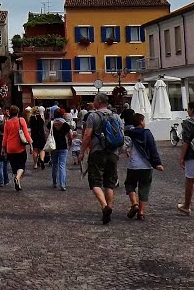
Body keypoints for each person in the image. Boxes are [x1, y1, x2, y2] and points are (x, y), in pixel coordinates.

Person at [78, 93, 124, 224]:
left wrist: (82, 152)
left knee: (95, 182)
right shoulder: (116, 116)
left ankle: (104, 207)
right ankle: (109, 208)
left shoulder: (93, 116)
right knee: (109, 183)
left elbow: (87, 135)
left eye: (94, 100)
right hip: (113, 153)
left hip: (97, 152)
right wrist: (119, 152)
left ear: (98, 101)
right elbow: (122, 135)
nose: (93, 102)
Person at [124, 111, 164, 220]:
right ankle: (141, 212)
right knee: (144, 187)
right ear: (141, 122)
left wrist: (127, 151)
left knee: (130, 184)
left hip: (133, 165)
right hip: (146, 166)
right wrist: (158, 164)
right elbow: (153, 149)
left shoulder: (129, 133)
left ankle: (134, 204)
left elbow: (124, 146)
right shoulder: (147, 133)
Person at [1, 105, 33, 191]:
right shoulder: (21, 120)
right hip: (20, 147)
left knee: (15, 167)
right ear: (18, 112)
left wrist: (3, 148)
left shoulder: (7, 122)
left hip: (10, 148)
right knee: (21, 166)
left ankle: (18, 183)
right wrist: (30, 144)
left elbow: (5, 137)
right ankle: (17, 178)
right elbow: (26, 133)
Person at [49, 110, 73, 191]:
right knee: (62, 165)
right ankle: (62, 184)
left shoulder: (51, 123)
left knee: (54, 165)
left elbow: (47, 134)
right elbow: (70, 135)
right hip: (63, 146)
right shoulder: (65, 124)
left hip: (53, 146)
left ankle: (54, 182)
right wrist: (70, 141)